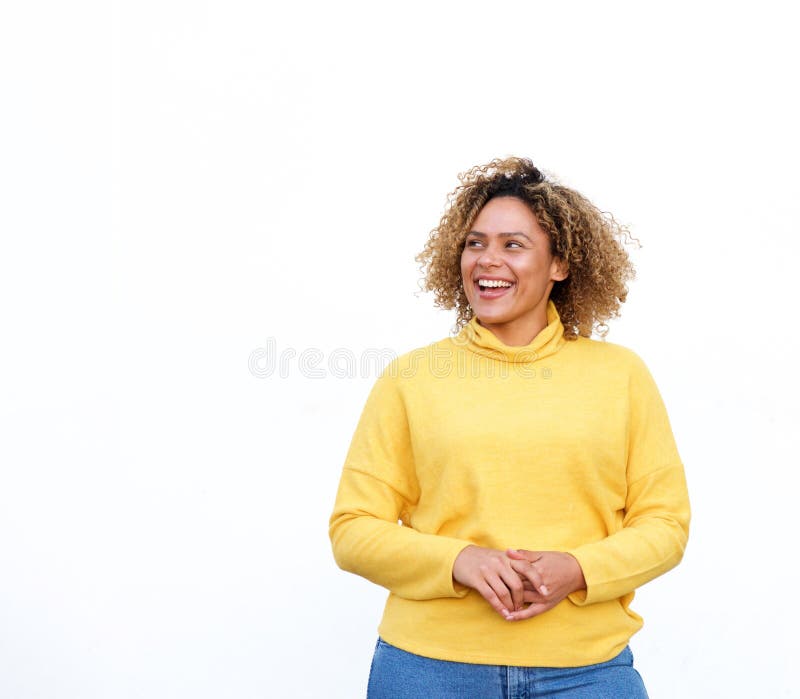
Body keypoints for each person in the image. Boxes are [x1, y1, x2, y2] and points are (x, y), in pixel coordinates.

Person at [328, 156, 691, 698]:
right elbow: (353, 528)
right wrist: (460, 561)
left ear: (560, 265)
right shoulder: (413, 377)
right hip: (429, 672)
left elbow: (665, 523)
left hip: (587, 672)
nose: (486, 260)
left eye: (513, 245)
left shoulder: (620, 376)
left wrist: (578, 568)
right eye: (475, 243)